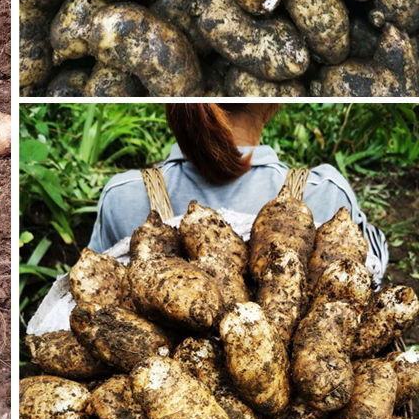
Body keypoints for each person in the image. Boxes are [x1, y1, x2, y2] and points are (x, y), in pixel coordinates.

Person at [89, 104, 388, 286]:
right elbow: (368, 280)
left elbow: (94, 284)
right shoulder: (325, 192)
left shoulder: (124, 196)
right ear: (271, 105)